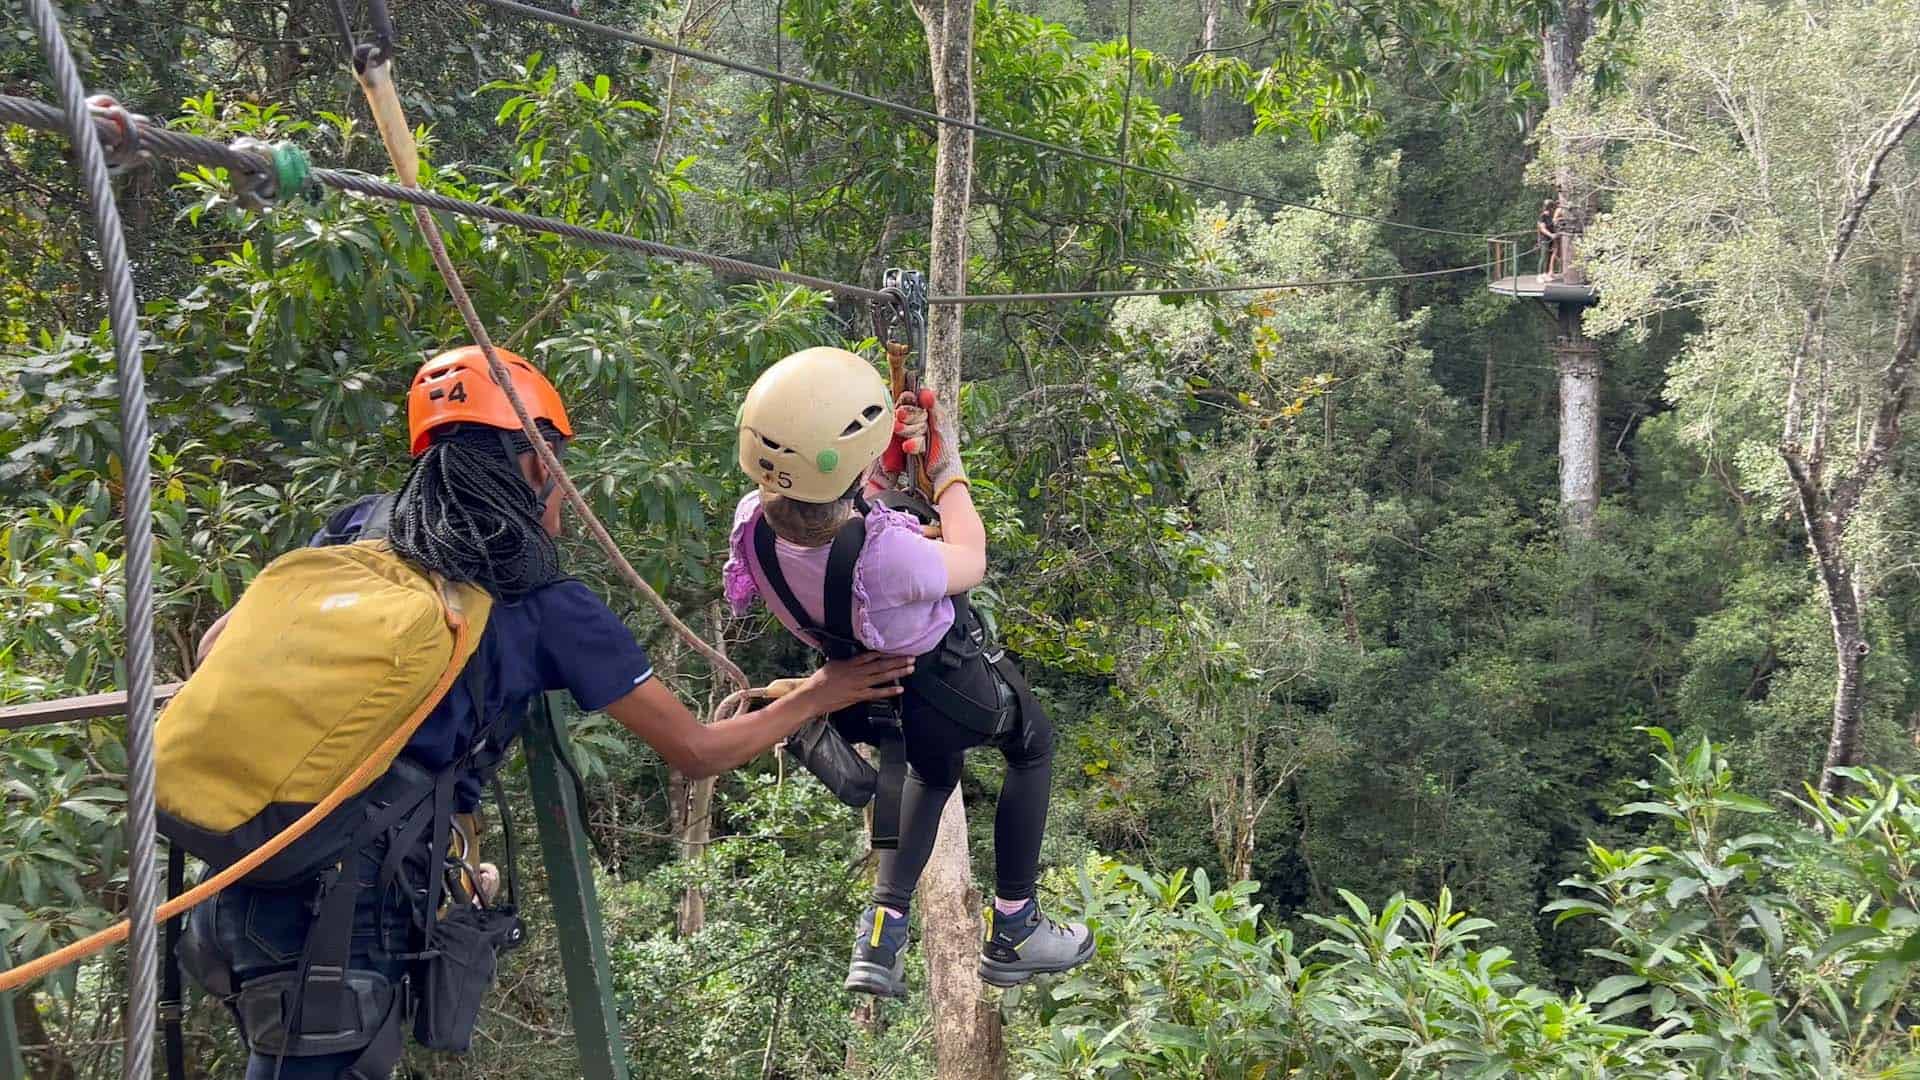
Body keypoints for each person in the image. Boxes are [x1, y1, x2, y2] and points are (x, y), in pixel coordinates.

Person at [183, 345, 911, 1079]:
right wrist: (825, 688)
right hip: (349, 901)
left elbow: (220, 641)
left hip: (250, 843)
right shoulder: (544, 603)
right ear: (535, 465)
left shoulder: (362, 526)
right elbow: (699, 750)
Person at [724, 346, 1094, 999]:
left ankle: (881, 938)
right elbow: (969, 557)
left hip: (858, 687)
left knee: (932, 771)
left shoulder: (753, 525)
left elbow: (846, 527)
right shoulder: (888, 555)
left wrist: (889, 462)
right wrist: (944, 466)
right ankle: (1015, 925)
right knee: (1033, 744)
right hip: (942, 685)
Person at [1537, 198, 1560, 280]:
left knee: (1549, 256)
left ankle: (1545, 274)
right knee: (1543, 256)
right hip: (1544, 239)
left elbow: (1552, 225)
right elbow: (1542, 228)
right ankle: (1539, 275)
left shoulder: (1550, 216)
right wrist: (1551, 235)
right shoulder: (1542, 216)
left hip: (1550, 239)